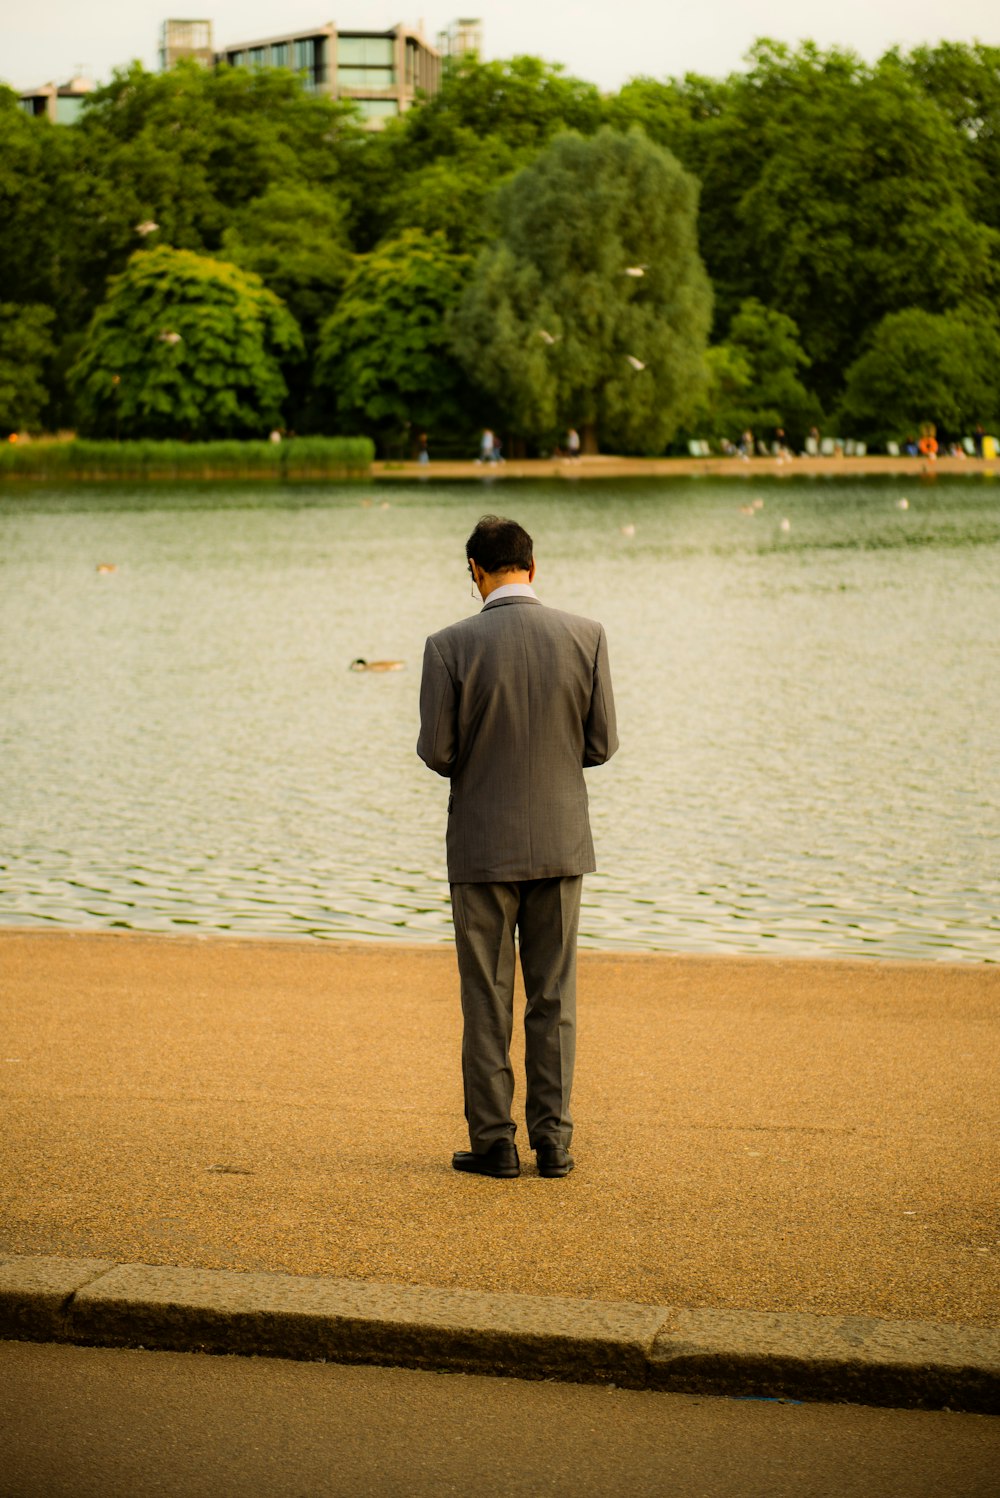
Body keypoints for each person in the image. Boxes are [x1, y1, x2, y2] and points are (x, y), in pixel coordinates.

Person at [417, 515, 618, 1180]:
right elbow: (600, 745)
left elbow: (438, 753)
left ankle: (495, 1144)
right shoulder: (586, 636)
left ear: (475, 570)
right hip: (561, 843)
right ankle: (554, 1145)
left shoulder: (448, 646)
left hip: (480, 849)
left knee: (487, 998)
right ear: (533, 566)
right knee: (554, 998)